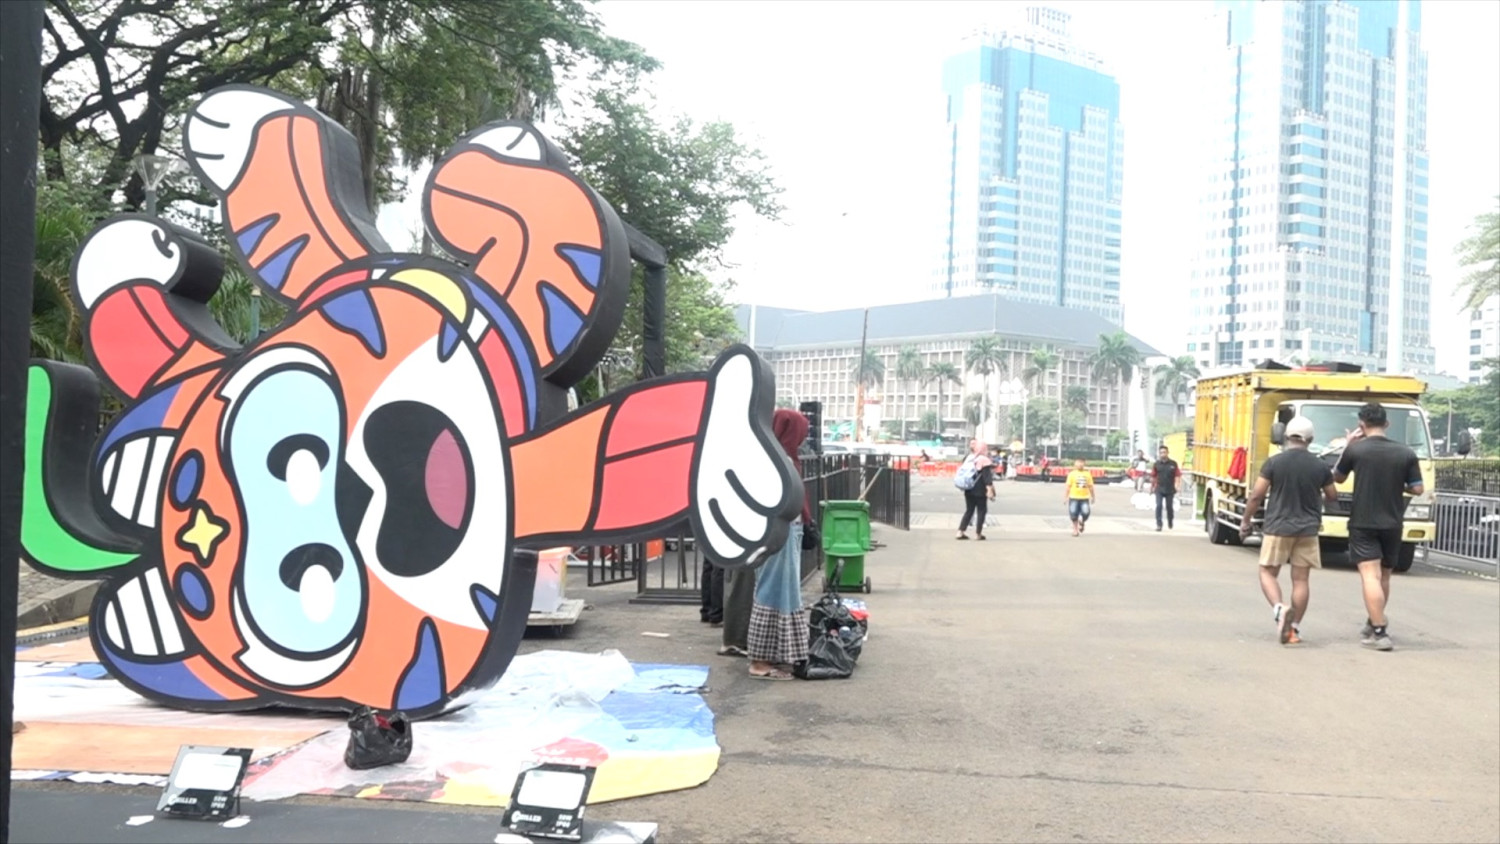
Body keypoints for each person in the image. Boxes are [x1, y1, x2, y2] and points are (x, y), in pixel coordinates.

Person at [1240, 416, 1339, 645]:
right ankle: (1293, 629)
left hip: (1278, 526)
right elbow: (1332, 495)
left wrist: (1246, 521)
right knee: (1301, 580)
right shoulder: (1320, 466)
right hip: (1308, 529)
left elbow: (1256, 495)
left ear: (1286, 437)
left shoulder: (1274, 463)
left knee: (1267, 572)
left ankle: (1279, 609)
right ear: (1310, 440)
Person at [1334, 402, 1424, 652]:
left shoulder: (1356, 451)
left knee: (1369, 576)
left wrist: (1348, 445)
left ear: (1361, 425)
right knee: (1384, 575)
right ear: (1387, 423)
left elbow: (1337, 477)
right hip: (1393, 522)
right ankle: (1374, 620)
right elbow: (1418, 488)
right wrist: (1398, 486)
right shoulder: (1406, 453)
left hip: (1363, 521)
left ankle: (1380, 631)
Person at [746, 409, 813, 679]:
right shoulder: (780, 460)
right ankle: (760, 661)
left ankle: (771, 656)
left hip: (779, 531)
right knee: (774, 591)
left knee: (780, 592)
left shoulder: (770, 456)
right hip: (779, 532)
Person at [956, 439, 995, 540]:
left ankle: (960, 531)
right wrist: (990, 490)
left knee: (969, 510)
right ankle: (978, 533)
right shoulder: (984, 460)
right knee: (981, 510)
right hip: (980, 489)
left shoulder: (969, 458)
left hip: (968, 487)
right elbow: (987, 477)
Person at [1150, 445, 1181, 531]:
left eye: (1164, 452)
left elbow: (1177, 475)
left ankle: (1170, 520)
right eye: (1161, 453)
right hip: (1159, 488)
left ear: (1167, 453)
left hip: (1170, 489)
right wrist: (1152, 487)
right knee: (1159, 506)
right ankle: (1159, 524)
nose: (1163, 454)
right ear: (1159, 454)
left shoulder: (1173, 464)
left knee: (1169, 507)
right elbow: (1153, 476)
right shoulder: (1156, 464)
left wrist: (1177, 485)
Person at [1064, 459, 1095, 536]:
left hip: (1084, 498)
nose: (1080, 464)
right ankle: (1075, 530)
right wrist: (1066, 497)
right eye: (1078, 463)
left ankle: (1082, 521)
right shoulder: (1072, 474)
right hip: (1073, 497)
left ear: (1084, 464)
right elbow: (1068, 486)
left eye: (1081, 463)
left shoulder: (1087, 474)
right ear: (1075, 464)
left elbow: (1091, 486)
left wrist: (1093, 496)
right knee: (1073, 514)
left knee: (1086, 513)